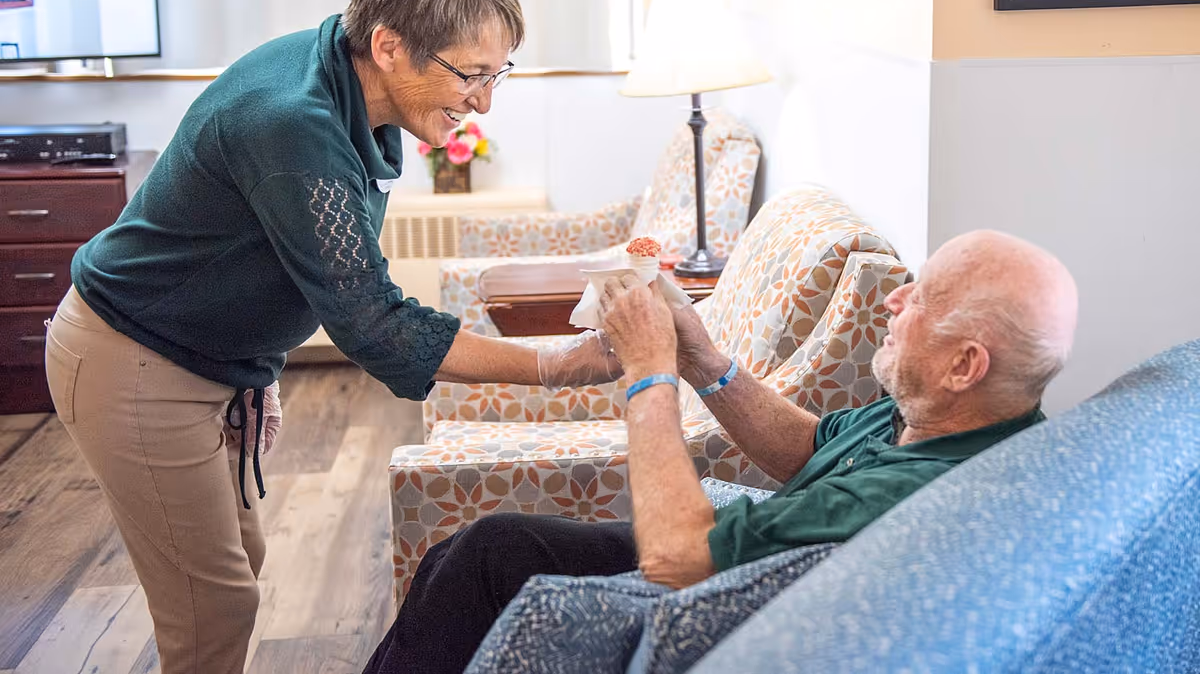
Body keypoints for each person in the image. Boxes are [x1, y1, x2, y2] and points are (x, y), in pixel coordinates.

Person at [42, 0, 622, 674]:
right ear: (388, 45)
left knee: (238, 559)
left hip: (209, 361)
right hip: (136, 365)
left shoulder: (340, 76)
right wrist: (560, 364)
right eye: (469, 75)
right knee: (212, 604)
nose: (483, 102)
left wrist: (260, 367)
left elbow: (272, 256)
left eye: (497, 74)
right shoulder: (295, 126)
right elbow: (374, 322)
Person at [363, 230, 1080, 674]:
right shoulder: (933, 414)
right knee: (466, 553)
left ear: (965, 364)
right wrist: (703, 360)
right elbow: (806, 448)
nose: (895, 300)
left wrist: (650, 372)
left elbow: (676, 556)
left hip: (716, 607)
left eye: (922, 297)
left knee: (484, 557)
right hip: (737, 556)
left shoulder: (927, 494)